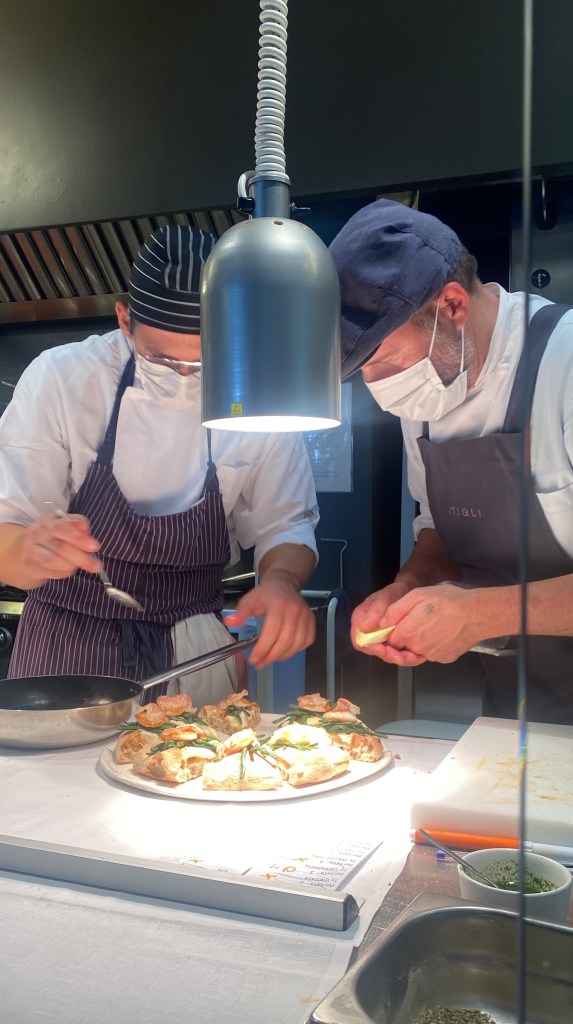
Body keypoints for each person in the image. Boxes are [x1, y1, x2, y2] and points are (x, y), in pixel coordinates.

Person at [0, 225, 319, 704]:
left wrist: (281, 582)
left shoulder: (259, 389)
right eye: (162, 359)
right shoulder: (62, 379)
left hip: (195, 653)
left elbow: (286, 524)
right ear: (125, 320)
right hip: (67, 651)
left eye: (205, 362)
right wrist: (29, 550)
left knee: (202, 754)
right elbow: (6, 533)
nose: (185, 376)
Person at [329, 198, 573, 724]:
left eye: (385, 361)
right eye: (363, 371)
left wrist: (479, 614)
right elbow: (440, 530)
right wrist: (409, 585)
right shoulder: (426, 394)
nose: (379, 388)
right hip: (517, 712)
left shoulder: (566, 362)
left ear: (453, 306)